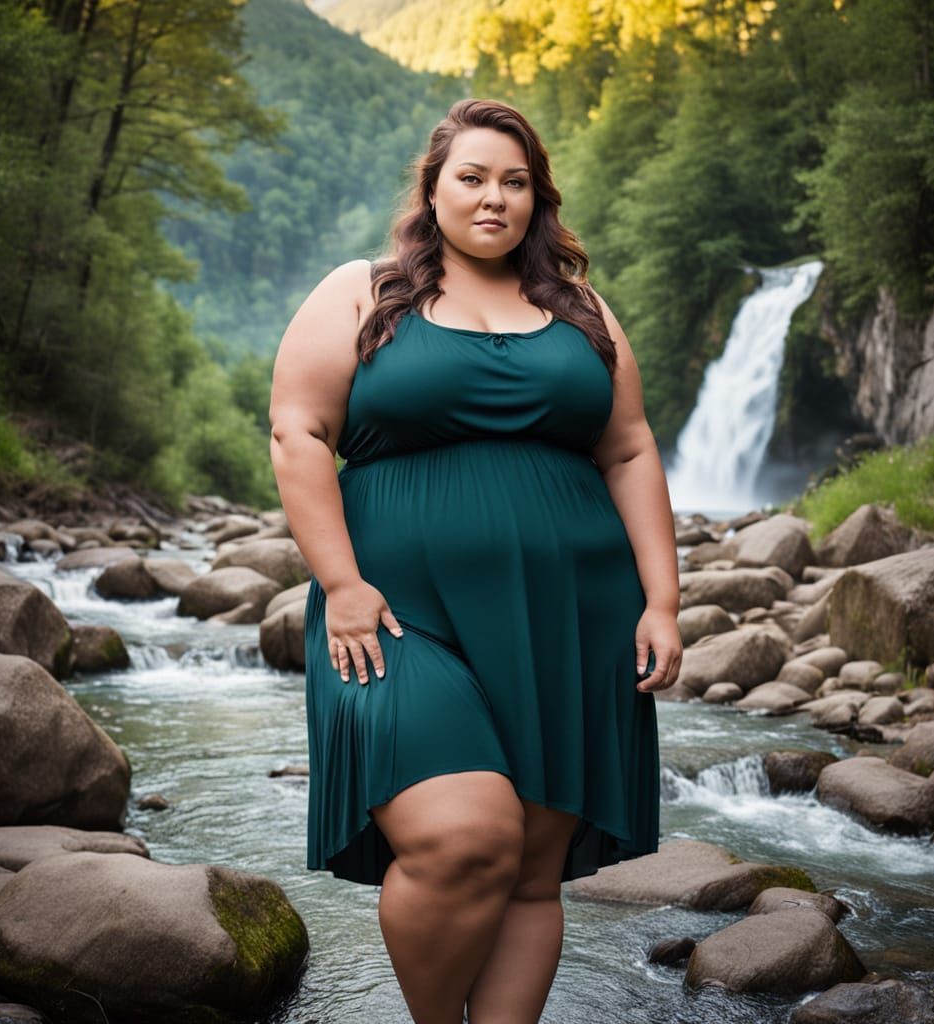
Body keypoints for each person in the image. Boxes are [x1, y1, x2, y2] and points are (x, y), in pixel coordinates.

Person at [269, 97, 683, 1024]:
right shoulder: (363, 292)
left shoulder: (580, 309)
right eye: (473, 177)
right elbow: (298, 433)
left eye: (515, 181)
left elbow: (628, 449)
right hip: (393, 613)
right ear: (433, 190)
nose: (494, 197)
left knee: (533, 870)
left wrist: (663, 598)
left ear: (537, 198)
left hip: (568, 617)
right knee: (463, 839)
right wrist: (341, 583)